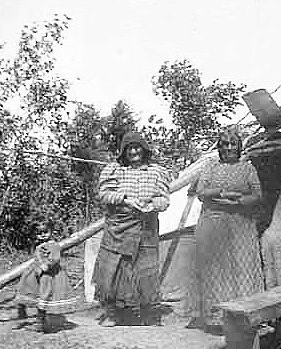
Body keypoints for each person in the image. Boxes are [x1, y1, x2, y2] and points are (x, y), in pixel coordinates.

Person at [189, 125, 264, 332]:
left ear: (239, 147)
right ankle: (216, 319)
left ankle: (244, 316)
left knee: (242, 267)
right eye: (224, 144)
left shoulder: (248, 168)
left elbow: (258, 194)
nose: (229, 148)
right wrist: (223, 192)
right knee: (215, 270)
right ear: (219, 147)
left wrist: (239, 202)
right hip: (213, 224)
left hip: (241, 224)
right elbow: (201, 192)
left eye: (233, 144)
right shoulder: (211, 166)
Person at [92, 132, 171, 326]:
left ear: (144, 150)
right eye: (129, 148)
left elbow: (164, 198)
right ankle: (114, 313)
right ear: (123, 151)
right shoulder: (115, 170)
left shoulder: (155, 172)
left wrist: (153, 205)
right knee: (115, 268)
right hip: (119, 225)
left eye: (137, 148)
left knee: (145, 268)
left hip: (146, 225)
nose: (133, 152)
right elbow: (104, 195)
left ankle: (148, 314)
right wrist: (125, 199)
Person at [15, 240, 78, 332]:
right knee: (25, 288)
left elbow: (55, 258)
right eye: (40, 231)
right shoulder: (40, 245)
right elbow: (37, 256)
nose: (42, 234)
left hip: (48, 275)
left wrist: (46, 265)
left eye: (45, 232)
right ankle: (22, 311)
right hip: (36, 273)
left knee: (44, 296)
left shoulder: (53, 245)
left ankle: (40, 321)